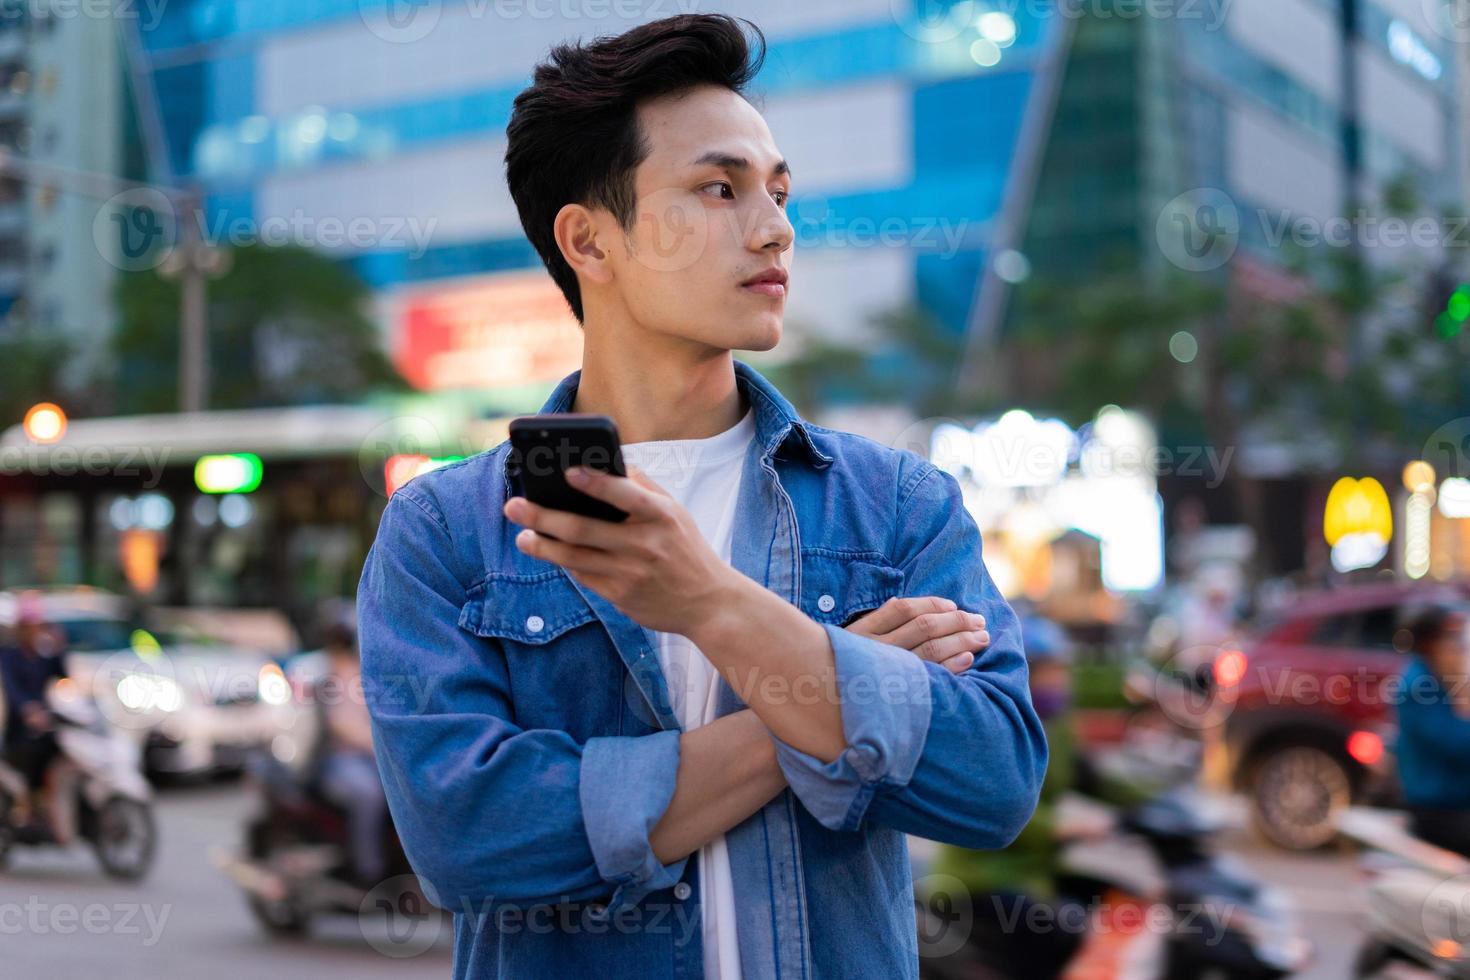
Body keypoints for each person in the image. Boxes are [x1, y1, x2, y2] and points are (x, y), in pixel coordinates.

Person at [357, 14, 1046, 980]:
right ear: (589, 242)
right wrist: (824, 704)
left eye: (779, 192)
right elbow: (470, 841)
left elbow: (992, 783)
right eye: (719, 189)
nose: (775, 228)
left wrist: (712, 605)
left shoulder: (894, 506)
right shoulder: (447, 534)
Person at [313, 619, 390, 889]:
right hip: (340, 761)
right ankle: (367, 870)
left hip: (373, 758)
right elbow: (340, 726)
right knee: (368, 795)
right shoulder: (329, 676)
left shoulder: (365, 672)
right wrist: (374, 744)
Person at [1394, 605, 1470, 857]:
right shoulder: (1419, 687)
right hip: (1438, 812)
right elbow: (1458, 745)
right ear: (1430, 644)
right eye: (1453, 640)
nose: (1460, 649)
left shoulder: (1440, 679)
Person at [0, 592, 70, 843]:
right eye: (29, 626)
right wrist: (28, 710)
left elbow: (63, 675)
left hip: (45, 726)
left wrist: (60, 646)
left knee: (62, 750)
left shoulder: (44, 656)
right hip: (20, 731)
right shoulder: (9, 656)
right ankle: (27, 807)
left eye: (37, 626)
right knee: (32, 754)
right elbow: (13, 691)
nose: (33, 631)